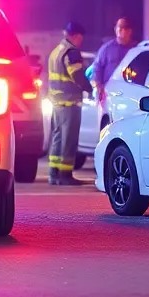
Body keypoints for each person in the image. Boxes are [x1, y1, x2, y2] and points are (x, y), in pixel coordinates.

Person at [46, 22, 91, 186]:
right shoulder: (72, 52)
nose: (81, 41)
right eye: (81, 38)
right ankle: (65, 175)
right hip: (70, 102)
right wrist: (90, 88)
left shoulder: (56, 52)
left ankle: (54, 173)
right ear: (76, 36)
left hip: (56, 102)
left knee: (57, 138)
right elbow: (77, 75)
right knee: (69, 140)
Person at [87, 17, 133, 113]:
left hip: (130, 93)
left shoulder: (135, 50)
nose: (122, 31)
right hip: (109, 94)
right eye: (120, 28)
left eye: (125, 28)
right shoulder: (107, 49)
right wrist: (98, 86)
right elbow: (97, 67)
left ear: (130, 31)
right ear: (115, 29)